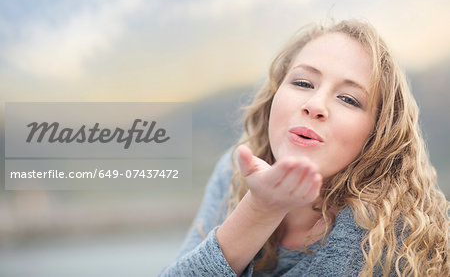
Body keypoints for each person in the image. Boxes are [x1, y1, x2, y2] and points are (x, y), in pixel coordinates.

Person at [159, 19, 449, 276]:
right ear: (274, 95)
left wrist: (264, 208)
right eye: (302, 82)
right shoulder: (235, 171)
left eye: (348, 99)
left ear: (377, 135)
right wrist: (258, 209)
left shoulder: (387, 236)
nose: (314, 105)